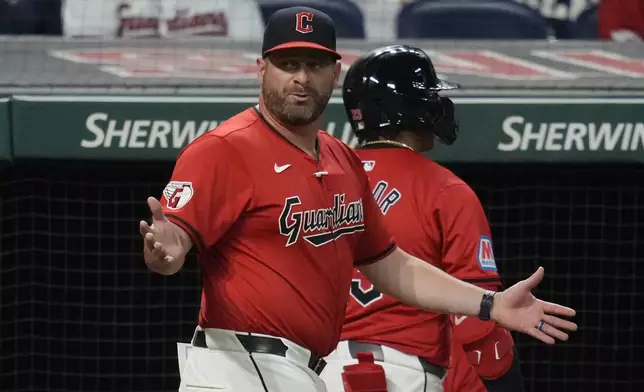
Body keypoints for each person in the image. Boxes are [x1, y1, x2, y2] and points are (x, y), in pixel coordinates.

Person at [139, 6, 577, 392]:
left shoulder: (341, 159)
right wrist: (166, 250)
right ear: (261, 69)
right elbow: (174, 244)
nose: (301, 77)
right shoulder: (225, 148)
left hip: (304, 371)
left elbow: (390, 265)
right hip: (239, 368)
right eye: (287, 63)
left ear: (334, 70)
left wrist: (491, 304)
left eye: (313, 64)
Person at [318, 45, 526, 392]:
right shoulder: (445, 190)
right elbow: (476, 325)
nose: (437, 105)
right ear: (407, 108)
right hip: (404, 374)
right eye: (428, 96)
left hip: (319, 373)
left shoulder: (318, 181)